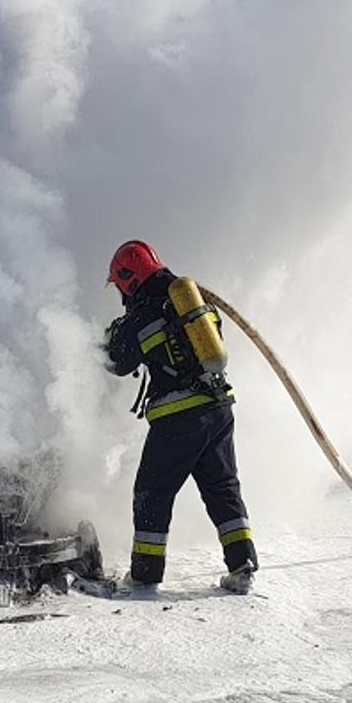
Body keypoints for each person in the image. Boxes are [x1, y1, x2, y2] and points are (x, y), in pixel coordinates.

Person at [103, 240, 258, 596]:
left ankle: (144, 575)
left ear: (129, 279)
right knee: (222, 488)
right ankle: (242, 565)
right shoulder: (190, 298)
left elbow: (116, 361)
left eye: (119, 284)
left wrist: (109, 335)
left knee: (152, 493)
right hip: (219, 408)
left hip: (180, 416)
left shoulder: (144, 312)